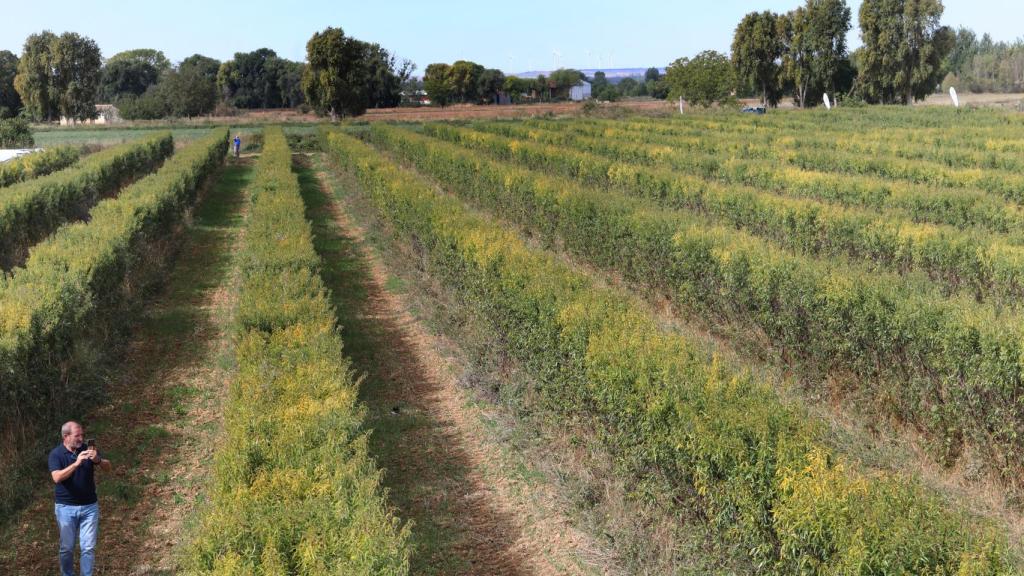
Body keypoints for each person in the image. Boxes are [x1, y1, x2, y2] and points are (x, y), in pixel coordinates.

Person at [48, 421, 111, 576]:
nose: (81, 438)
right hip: (65, 508)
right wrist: (76, 464)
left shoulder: (88, 449)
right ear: (66, 436)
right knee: (67, 548)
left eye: (82, 435)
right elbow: (56, 477)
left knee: (88, 548)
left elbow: (108, 467)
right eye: (77, 435)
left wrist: (98, 460)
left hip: (89, 507)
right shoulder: (56, 454)